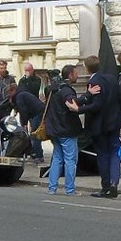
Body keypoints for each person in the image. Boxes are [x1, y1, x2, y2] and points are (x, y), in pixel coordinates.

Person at [80, 55, 121, 198]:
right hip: (114, 122)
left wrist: (79, 110)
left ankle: (106, 187)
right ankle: (114, 182)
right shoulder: (112, 78)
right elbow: (120, 98)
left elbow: (96, 105)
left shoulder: (94, 82)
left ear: (87, 68)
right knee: (114, 153)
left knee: (103, 155)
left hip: (100, 124)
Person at [43, 63, 83, 195]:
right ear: (70, 74)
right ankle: (70, 189)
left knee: (57, 159)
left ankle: (52, 188)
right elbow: (71, 105)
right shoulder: (66, 90)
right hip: (66, 129)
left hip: (53, 129)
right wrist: (84, 102)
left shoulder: (51, 89)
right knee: (70, 160)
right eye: (76, 73)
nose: (77, 75)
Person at [8, 82, 45, 162]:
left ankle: (38, 156)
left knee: (34, 135)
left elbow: (23, 110)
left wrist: (24, 124)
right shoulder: (21, 94)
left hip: (37, 114)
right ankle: (37, 154)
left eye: (9, 93)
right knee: (34, 135)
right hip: (36, 113)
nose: (9, 95)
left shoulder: (19, 96)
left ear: (13, 90)